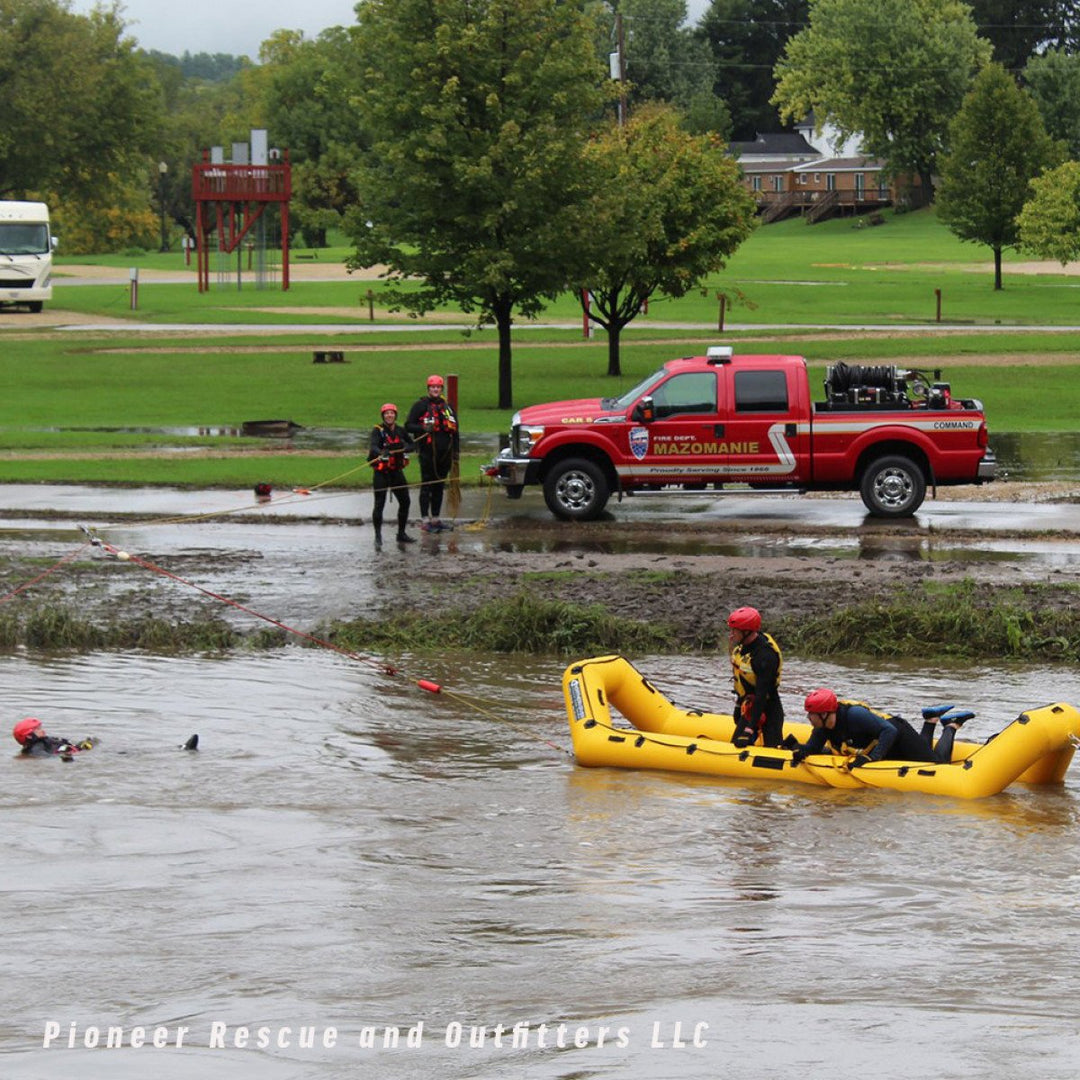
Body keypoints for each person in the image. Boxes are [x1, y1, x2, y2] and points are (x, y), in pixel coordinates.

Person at [791, 688, 972, 767]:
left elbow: (889, 731)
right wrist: (800, 751)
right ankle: (931, 720)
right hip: (884, 743)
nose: (808, 718)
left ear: (824, 714)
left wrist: (872, 758)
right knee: (920, 754)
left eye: (811, 714)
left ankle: (951, 725)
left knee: (938, 763)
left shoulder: (855, 715)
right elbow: (813, 748)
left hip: (897, 733)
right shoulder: (822, 727)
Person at [405, 374, 459, 533]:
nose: (435, 390)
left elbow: (455, 430)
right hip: (427, 452)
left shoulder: (447, 408)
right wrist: (423, 428)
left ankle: (435, 518)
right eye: (432, 387)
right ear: (428, 389)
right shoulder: (420, 406)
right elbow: (408, 425)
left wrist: (456, 452)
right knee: (427, 484)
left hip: (445, 454)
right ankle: (425, 519)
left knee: (439, 485)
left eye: (438, 387)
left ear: (441, 389)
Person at [727, 606, 785, 748]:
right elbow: (742, 681)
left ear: (746, 631)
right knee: (736, 746)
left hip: (769, 707)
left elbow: (762, 695)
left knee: (773, 751)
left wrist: (749, 729)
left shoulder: (764, 656)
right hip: (750, 705)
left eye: (735, 630)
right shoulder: (742, 647)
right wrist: (738, 705)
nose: (731, 634)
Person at [368, 403, 416, 548]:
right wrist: (381, 452)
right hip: (381, 473)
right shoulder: (377, 431)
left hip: (396, 472)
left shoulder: (401, 431)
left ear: (395, 415)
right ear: (383, 416)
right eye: (387, 413)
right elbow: (373, 446)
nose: (390, 416)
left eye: (392, 413)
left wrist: (408, 447)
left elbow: (413, 445)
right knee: (379, 504)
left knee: (405, 501)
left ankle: (401, 533)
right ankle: (378, 536)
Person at [13, 717, 92, 758]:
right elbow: (49, 757)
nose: (42, 731)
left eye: (40, 727)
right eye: (38, 729)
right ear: (29, 736)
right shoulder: (36, 749)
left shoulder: (46, 740)